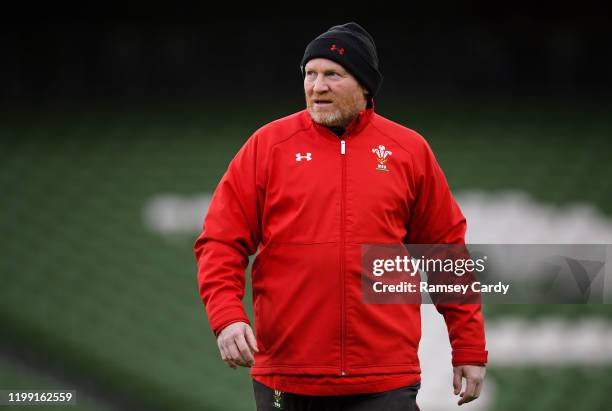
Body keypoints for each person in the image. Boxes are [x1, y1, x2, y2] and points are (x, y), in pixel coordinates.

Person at [194, 22, 487, 410]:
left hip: (385, 377)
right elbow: (220, 240)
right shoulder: (268, 147)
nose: (317, 87)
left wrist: (467, 345)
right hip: (288, 375)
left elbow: (445, 253)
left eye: (333, 74)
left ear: (365, 85)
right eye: (310, 74)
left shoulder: (408, 150)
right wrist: (228, 316)